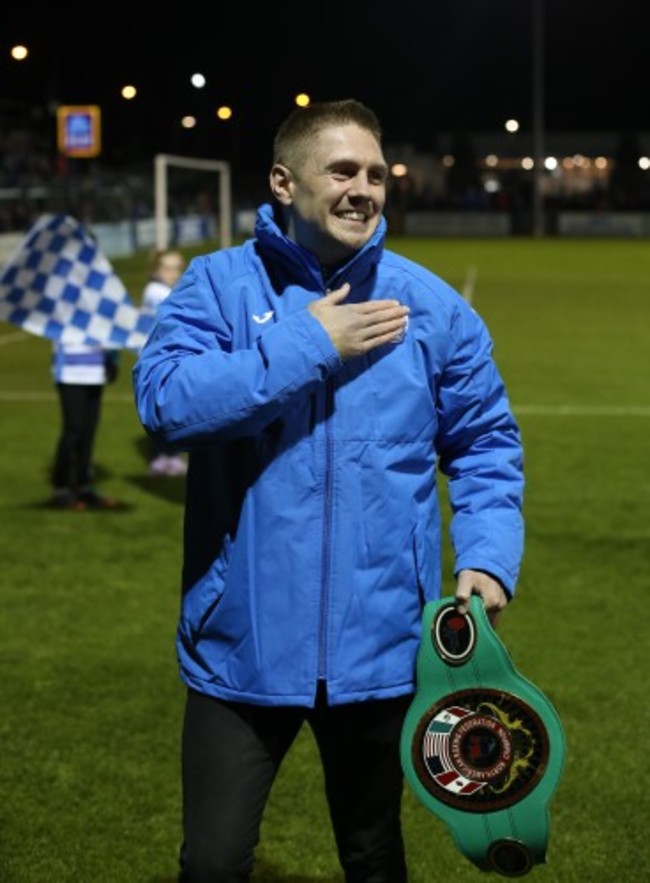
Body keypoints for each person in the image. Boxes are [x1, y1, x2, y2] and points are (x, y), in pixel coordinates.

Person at [133, 99, 524, 882]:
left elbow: (485, 441)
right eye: (343, 170)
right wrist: (310, 340)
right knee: (212, 861)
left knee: (374, 854)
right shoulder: (217, 286)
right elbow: (166, 402)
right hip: (240, 644)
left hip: (381, 641)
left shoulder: (432, 308)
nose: (364, 189)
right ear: (284, 182)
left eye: (376, 174)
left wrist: (487, 554)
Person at [50, 340, 120, 510]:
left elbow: (107, 331)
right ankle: (61, 487)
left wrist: (112, 359)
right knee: (73, 430)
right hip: (69, 373)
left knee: (88, 432)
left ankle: (84, 486)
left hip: (96, 373)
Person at [140, 247, 187, 476]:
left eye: (177, 268)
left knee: (171, 408)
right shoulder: (156, 291)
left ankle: (170, 455)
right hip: (158, 359)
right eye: (168, 268)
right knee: (163, 408)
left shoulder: (165, 291)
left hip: (167, 357)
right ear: (157, 270)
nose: (174, 273)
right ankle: (162, 457)